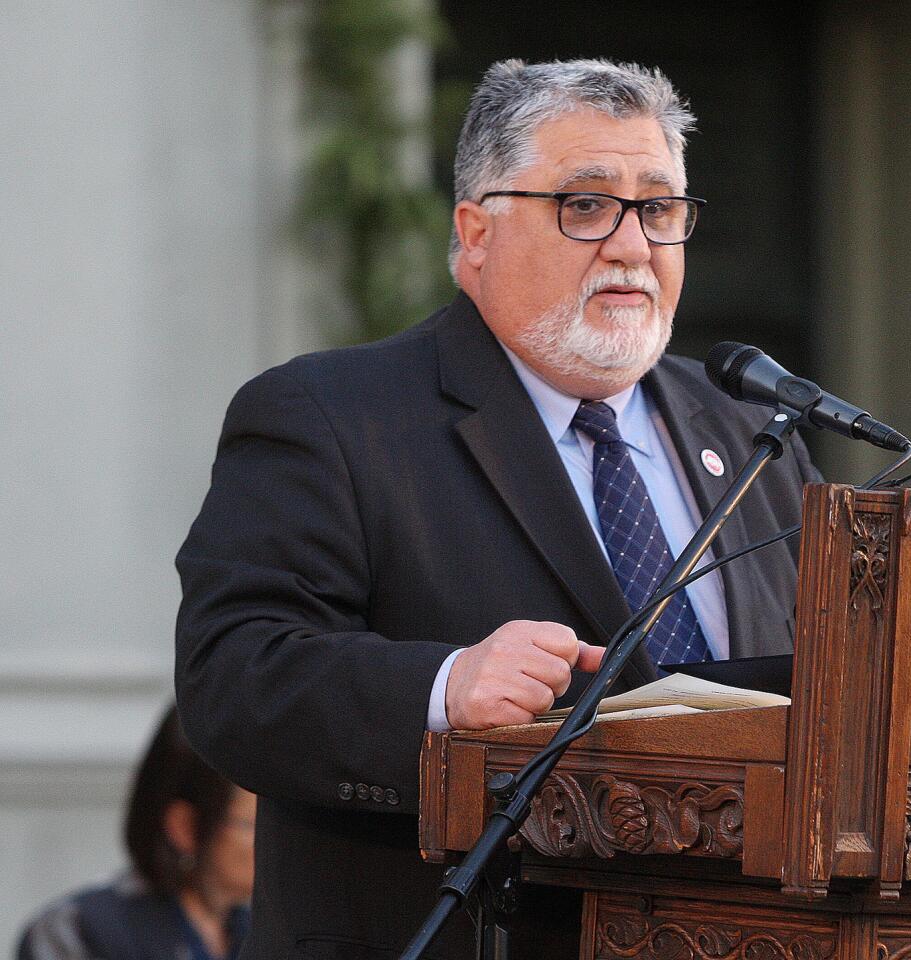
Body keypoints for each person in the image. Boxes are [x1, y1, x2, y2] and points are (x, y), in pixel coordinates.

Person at [174, 59, 820, 958]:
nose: (632, 244)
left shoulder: (755, 434)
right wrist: (441, 688)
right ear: (476, 232)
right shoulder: (331, 416)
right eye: (586, 205)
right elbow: (232, 676)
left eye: (659, 209)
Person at [16, 706, 253, 960]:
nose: (279, 845)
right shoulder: (74, 931)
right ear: (184, 827)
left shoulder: (259, 932)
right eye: (252, 824)